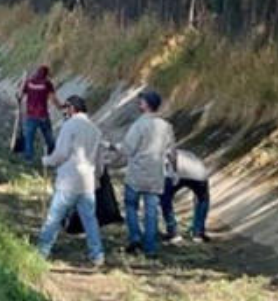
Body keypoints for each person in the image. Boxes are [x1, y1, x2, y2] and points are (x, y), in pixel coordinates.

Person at [37, 95, 105, 267]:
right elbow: (100, 161)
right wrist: (96, 177)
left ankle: (41, 253)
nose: (65, 112)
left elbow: (61, 153)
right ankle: (97, 255)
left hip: (69, 181)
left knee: (54, 217)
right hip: (87, 182)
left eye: (66, 108)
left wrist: (47, 161)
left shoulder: (70, 126)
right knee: (90, 220)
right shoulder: (95, 130)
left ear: (73, 109)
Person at [116, 90, 177, 257]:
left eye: (141, 102)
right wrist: (174, 171)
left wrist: (113, 148)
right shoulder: (166, 126)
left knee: (131, 206)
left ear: (147, 105)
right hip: (156, 174)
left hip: (136, 173)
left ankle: (135, 237)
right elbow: (172, 152)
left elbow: (128, 149)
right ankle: (150, 248)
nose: (139, 104)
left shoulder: (139, 125)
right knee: (151, 212)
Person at [161, 149, 211, 243]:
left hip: (176, 173)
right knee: (202, 199)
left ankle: (173, 233)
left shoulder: (163, 154)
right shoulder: (188, 154)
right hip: (199, 174)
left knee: (165, 200)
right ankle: (198, 233)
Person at [19, 65, 63, 162]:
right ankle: (51, 156)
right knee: (49, 138)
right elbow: (53, 99)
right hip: (43, 115)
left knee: (29, 138)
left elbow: (20, 95)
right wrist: (60, 107)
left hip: (31, 115)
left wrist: (24, 80)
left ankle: (29, 160)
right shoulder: (47, 83)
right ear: (46, 74)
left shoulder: (29, 82)